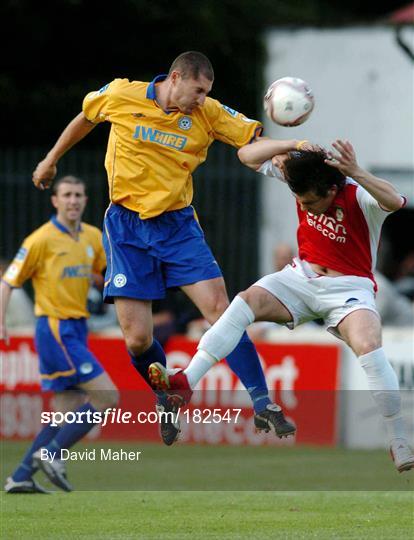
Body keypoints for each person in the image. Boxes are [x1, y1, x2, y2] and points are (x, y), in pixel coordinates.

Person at [31, 51, 295, 445]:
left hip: (177, 226)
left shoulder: (209, 113)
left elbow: (253, 139)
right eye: (198, 90)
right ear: (175, 78)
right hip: (126, 228)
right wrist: (52, 159)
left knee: (222, 310)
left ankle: (263, 401)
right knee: (137, 339)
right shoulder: (123, 94)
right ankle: (166, 397)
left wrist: (293, 147)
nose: (202, 100)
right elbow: (87, 117)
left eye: (207, 93)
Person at [148, 138, 414, 473]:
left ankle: (398, 438)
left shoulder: (358, 195)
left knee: (369, 345)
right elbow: (246, 155)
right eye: (301, 201)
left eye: (312, 202)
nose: (307, 207)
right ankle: (186, 383)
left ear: (333, 189)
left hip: (349, 288)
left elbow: (395, 200)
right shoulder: (304, 177)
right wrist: (291, 144)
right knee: (244, 301)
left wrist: (356, 171)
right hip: (299, 278)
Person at [1, 175, 119, 493]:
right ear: (55, 200)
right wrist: (1, 324)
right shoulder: (40, 240)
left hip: (77, 328)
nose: (73, 200)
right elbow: (8, 282)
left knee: (64, 414)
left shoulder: (93, 237)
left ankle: (21, 476)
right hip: (55, 328)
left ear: (85, 200)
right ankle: (52, 453)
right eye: (66, 194)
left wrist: (103, 289)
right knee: (108, 396)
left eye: (78, 194)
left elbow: (103, 272)